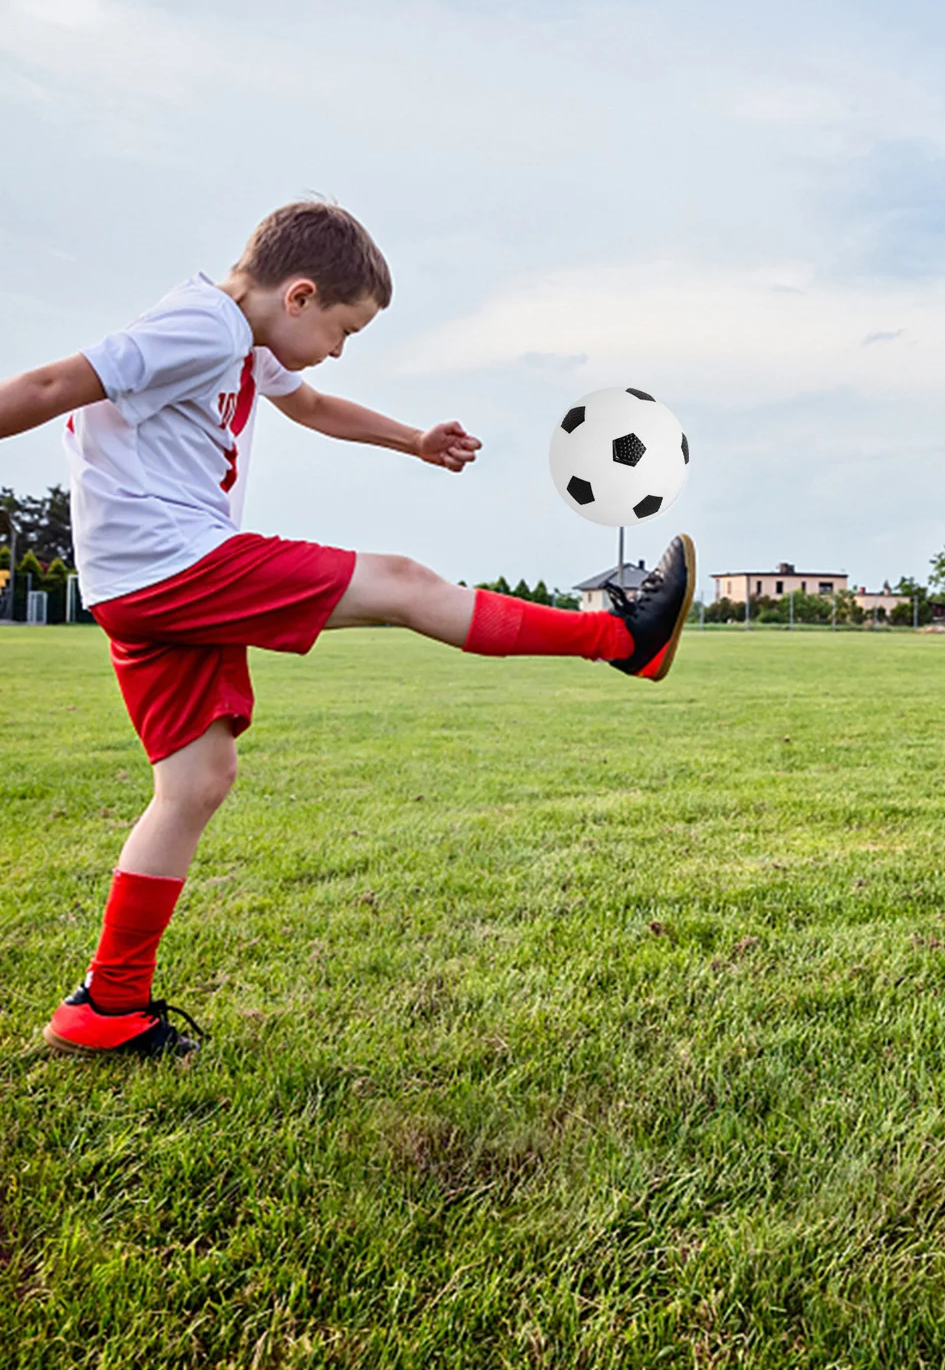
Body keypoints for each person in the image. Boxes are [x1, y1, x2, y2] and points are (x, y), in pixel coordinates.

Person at [0, 201, 694, 1060]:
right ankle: (622, 640)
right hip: (169, 563)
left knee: (198, 781)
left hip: (142, 578)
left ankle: (107, 1007)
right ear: (298, 296)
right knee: (403, 582)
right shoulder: (201, 327)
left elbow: (313, 405)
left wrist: (414, 440)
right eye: (344, 328)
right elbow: (46, 388)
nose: (339, 347)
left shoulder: (244, 336)